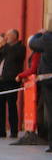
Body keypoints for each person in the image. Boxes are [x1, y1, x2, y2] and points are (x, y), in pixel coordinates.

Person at [0, 29, 25, 138]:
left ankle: (13, 131)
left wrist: (5, 45)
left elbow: (14, 56)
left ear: (14, 37)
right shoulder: (4, 48)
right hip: (0, 81)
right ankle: (0, 130)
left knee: (12, 106)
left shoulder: (19, 48)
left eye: (8, 36)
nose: (6, 38)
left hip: (11, 82)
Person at [28, 22, 52, 151]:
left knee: (50, 111)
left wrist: (39, 33)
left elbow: (32, 43)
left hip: (48, 79)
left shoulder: (47, 37)